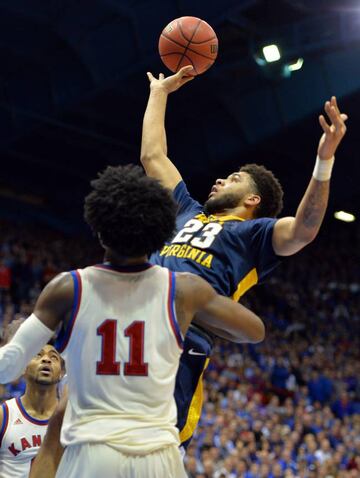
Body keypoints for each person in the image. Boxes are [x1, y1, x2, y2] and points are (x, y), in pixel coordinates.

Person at [0, 164, 265, 478]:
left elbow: (8, 367)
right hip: (158, 454)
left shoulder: (69, 287)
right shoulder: (183, 289)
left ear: (99, 229)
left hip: (93, 451)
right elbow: (255, 331)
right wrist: (197, 311)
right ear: (160, 233)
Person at [140, 65, 348, 448]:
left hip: (183, 340)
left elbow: (304, 229)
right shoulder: (187, 209)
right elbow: (153, 156)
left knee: (152, 452)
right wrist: (160, 92)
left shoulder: (254, 234)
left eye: (234, 179)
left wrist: (324, 161)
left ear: (253, 201)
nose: (220, 180)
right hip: (132, 322)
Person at [0, 344, 63, 477]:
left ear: (62, 373)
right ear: (23, 368)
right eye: (38, 355)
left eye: (54, 357)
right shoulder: (4, 414)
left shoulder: (69, 417)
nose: (46, 359)